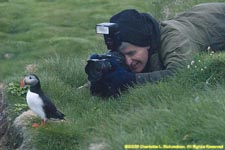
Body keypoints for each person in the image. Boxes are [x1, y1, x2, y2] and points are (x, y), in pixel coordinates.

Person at [86, 2, 225, 97]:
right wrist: (101, 78)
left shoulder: (175, 39)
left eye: (131, 53)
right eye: (123, 56)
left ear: (147, 44)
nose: (128, 62)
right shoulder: (142, 45)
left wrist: (132, 81)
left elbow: (181, 75)